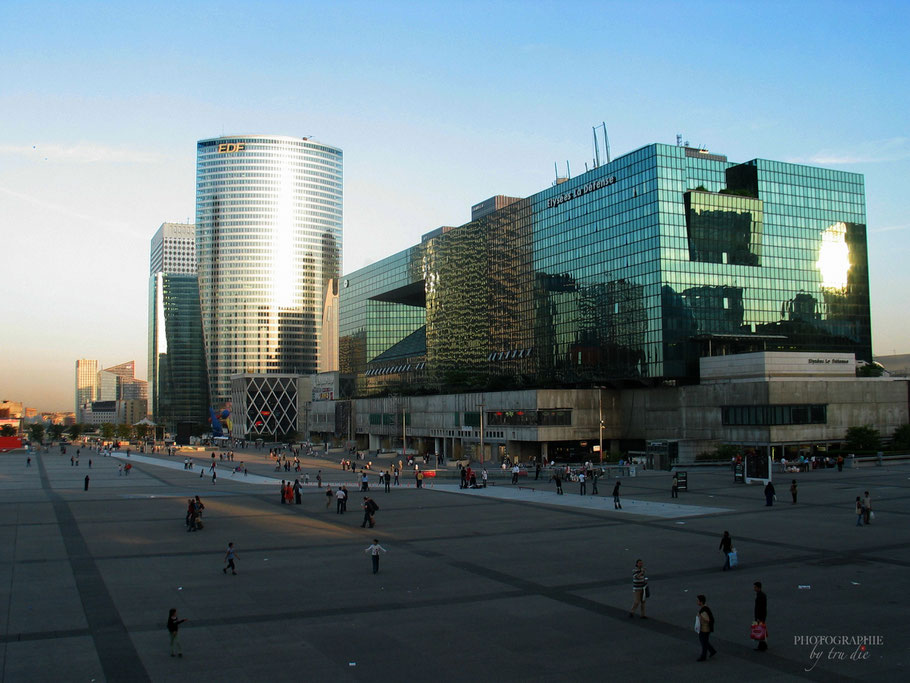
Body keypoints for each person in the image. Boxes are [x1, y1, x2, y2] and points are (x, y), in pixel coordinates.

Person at [695, 595, 717, 661]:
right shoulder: (705, 608)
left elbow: (707, 619)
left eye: (697, 601)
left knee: (703, 642)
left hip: (705, 629)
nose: (697, 602)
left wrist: (700, 616)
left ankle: (703, 656)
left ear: (701, 602)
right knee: (705, 641)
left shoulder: (703, 610)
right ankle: (712, 651)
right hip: (706, 628)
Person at [753, 582, 768, 651]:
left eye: (755, 587)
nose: (754, 588)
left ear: (758, 587)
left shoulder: (760, 595)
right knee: (761, 630)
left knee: (760, 630)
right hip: (762, 615)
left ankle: (761, 646)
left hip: (760, 616)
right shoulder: (761, 595)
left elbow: (760, 607)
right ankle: (763, 645)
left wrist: (758, 617)